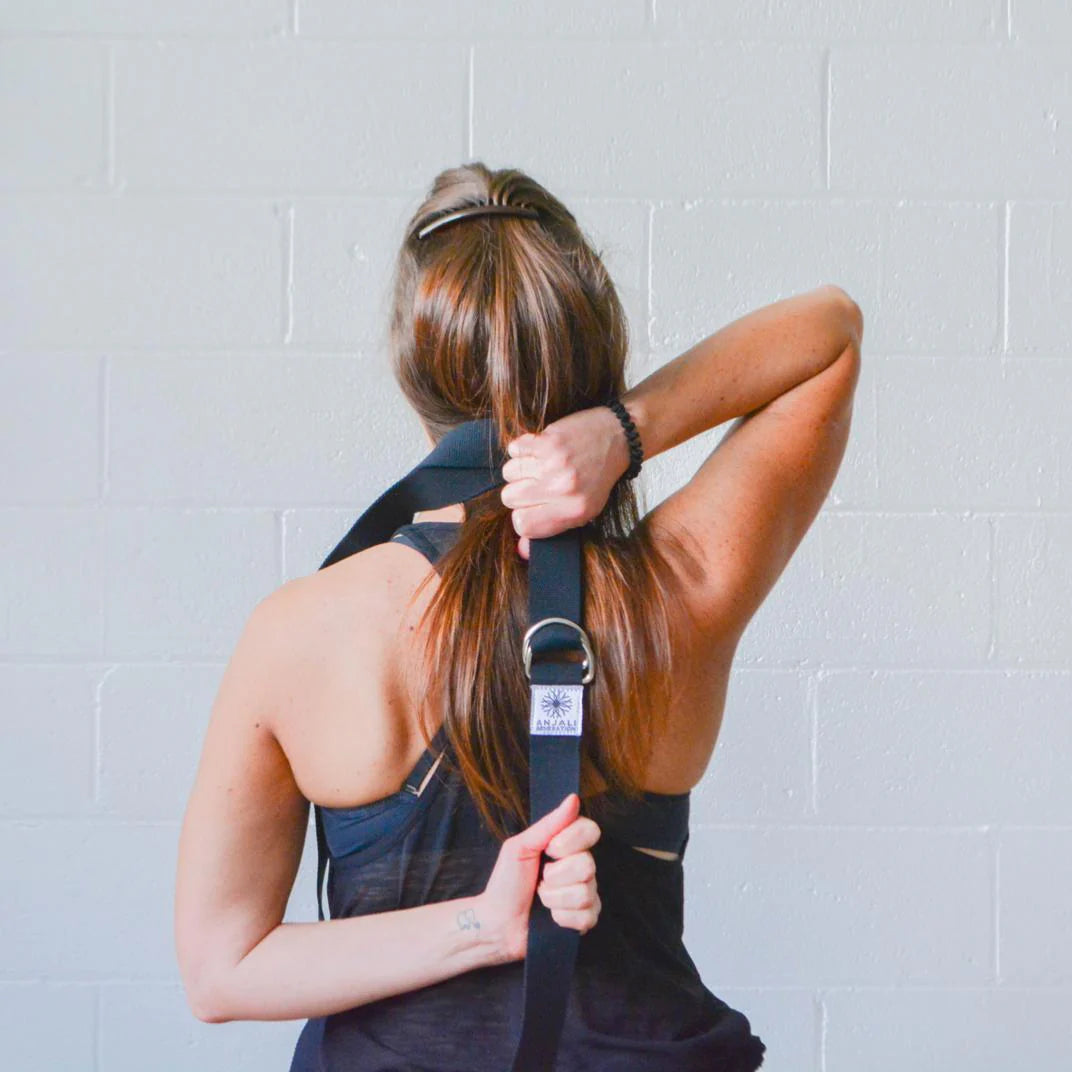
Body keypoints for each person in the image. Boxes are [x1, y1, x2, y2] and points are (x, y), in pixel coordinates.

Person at [174, 161, 863, 1071]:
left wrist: (478, 929)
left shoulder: (300, 635)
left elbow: (223, 971)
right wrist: (630, 428)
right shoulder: (679, 594)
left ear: (410, 367)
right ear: (593, 356)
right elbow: (830, 333)